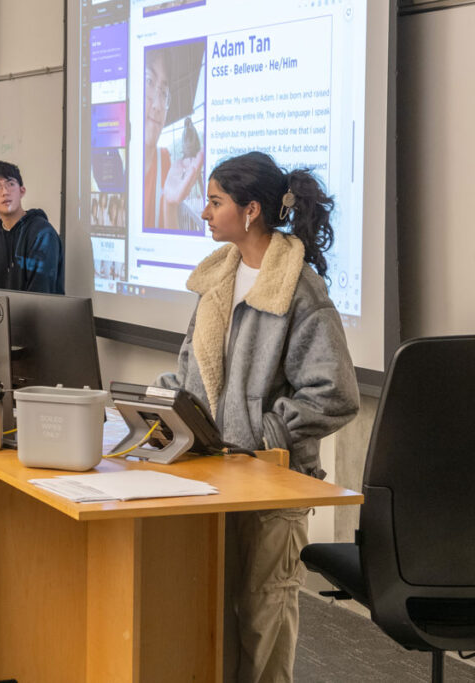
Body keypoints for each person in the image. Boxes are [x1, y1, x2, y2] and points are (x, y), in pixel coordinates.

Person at [156, 151, 360, 683]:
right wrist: (157, 408)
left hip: (272, 484)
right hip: (212, 476)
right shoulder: (217, 280)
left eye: (214, 200)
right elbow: (190, 373)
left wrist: (262, 436)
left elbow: (335, 393)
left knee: (264, 617)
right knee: (214, 612)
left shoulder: (300, 289)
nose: (203, 211)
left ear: (250, 211)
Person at [0, 161, 64, 294]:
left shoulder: (43, 235)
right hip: (2, 314)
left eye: (10, 184)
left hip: (40, 314)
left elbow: (41, 294)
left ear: (22, 191)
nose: (5, 192)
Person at [143, 48, 204, 230]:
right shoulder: (104, 168)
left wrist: (169, 205)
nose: (158, 105)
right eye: (148, 81)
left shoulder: (165, 161)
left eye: (164, 93)